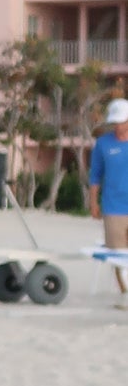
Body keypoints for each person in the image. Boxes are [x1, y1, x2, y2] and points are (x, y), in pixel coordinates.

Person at [90, 95, 128, 296]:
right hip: (114, 208)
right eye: (115, 123)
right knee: (118, 255)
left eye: (122, 122)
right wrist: (93, 203)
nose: (118, 126)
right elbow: (95, 175)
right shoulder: (103, 144)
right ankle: (125, 294)